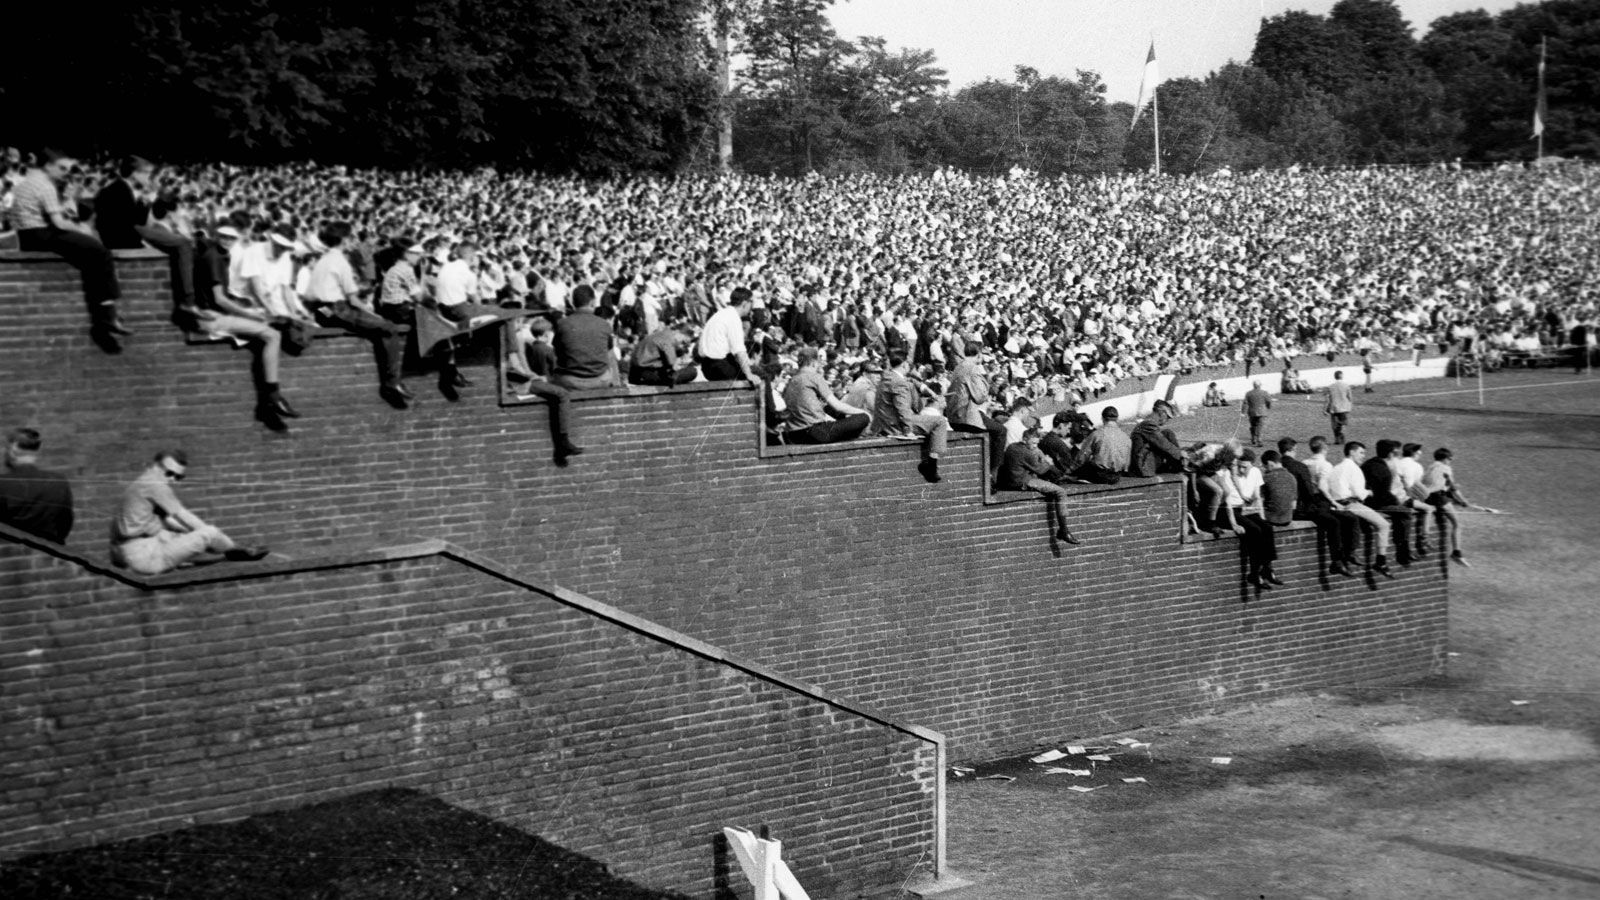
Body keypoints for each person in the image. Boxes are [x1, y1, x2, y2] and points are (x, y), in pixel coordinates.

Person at [10, 150, 128, 352]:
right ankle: (108, 314)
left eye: (69, 169)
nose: (66, 172)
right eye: (62, 168)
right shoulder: (45, 186)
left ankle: (106, 313)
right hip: (42, 234)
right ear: (48, 166)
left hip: (28, 236)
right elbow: (60, 223)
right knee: (101, 252)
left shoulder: (28, 182)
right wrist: (82, 229)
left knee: (90, 256)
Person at [184, 223, 298, 429]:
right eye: (224, 237)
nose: (227, 241)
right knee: (272, 335)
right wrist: (250, 314)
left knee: (266, 330)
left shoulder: (215, 255)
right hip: (212, 318)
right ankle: (273, 395)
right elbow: (220, 300)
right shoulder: (214, 258)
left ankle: (271, 398)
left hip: (213, 314)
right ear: (216, 236)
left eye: (231, 238)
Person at [303, 222, 412, 408]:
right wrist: (375, 317)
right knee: (390, 328)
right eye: (351, 237)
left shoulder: (323, 259)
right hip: (337, 309)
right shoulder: (340, 261)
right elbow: (353, 301)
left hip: (321, 311)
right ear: (344, 240)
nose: (353, 241)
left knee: (379, 327)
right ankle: (392, 383)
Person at [109, 450, 268, 575]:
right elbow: (183, 516)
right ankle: (237, 550)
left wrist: (192, 536)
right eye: (169, 473)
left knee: (184, 536)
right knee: (209, 532)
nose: (172, 480)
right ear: (156, 466)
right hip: (144, 557)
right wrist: (209, 535)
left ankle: (230, 550)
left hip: (131, 552)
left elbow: (171, 522)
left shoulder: (141, 482)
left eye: (178, 477)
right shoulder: (155, 485)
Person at [95, 156, 195, 314]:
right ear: (135, 173)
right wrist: (142, 241)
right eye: (148, 174)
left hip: (132, 231)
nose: (150, 178)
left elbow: (136, 220)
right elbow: (121, 225)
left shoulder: (126, 189)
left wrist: (144, 204)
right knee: (183, 243)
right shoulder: (116, 190)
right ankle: (188, 301)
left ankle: (188, 300)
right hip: (124, 238)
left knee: (176, 237)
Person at [1279, 437, 1358, 577]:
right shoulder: (1299, 466)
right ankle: (1338, 561)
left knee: (1336, 518)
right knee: (1334, 522)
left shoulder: (1279, 464)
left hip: (1286, 507)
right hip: (1303, 508)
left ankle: (1342, 559)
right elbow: (1309, 492)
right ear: (1293, 449)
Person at [870, 349, 949, 483]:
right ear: (904, 364)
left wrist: (925, 388)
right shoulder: (898, 382)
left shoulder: (889, 377)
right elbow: (903, 409)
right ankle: (931, 466)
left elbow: (910, 380)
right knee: (940, 421)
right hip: (896, 425)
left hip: (884, 423)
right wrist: (908, 431)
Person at [995, 427, 1080, 545]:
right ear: (1025, 439)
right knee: (1060, 492)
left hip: (1011, 480)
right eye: (1033, 443)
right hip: (1023, 482)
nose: (1035, 446)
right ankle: (1064, 530)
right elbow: (1041, 470)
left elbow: (1033, 455)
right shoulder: (1026, 453)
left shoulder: (1012, 447)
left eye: (1037, 443)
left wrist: (1037, 451)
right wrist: (1048, 462)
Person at [1324, 441, 1394, 578]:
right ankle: (1381, 562)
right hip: (1350, 504)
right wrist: (1369, 492)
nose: (1363, 456)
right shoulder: (1354, 469)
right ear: (1352, 452)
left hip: (1336, 504)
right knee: (1384, 525)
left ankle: (1347, 557)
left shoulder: (1336, 467)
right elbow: (1359, 493)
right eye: (1361, 452)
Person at [780, 347, 870, 444]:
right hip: (813, 433)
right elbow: (837, 406)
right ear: (814, 362)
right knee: (863, 418)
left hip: (793, 435)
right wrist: (863, 412)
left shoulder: (792, 380)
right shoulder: (814, 377)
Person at [0, 427, 74, 544]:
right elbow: (64, 524)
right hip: (50, 553)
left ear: (13, 450)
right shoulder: (58, 481)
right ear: (38, 451)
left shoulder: (2, 484)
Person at [1219, 449, 1280, 588]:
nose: (1240, 469)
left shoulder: (1256, 473)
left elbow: (1258, 497)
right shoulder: (1229, 474)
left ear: (1252, 465)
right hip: (1228, 511)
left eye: (1244, 467)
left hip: (1243, 509)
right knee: (1254, 530)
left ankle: (1268, 569)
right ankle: (1254, 574)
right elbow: (1228, 503)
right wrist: (1234, 524)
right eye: (1239, 465)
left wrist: (1262, 517)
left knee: (1267, 527)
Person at [945, 342, 1007, 473]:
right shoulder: (973, 369)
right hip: (966, 417)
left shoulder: (958, 367)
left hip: (954, 416)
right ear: (978, 354)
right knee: (1001, 431)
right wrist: (987, 383)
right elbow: (980, 397)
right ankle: (992, 475)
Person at [1421, 447, 1472, 567]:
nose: (1450, 461)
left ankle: (1425, 537)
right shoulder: (1446, 468)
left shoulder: (1430, 467)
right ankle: (1457, 553)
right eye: (1450, 459)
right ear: (1444, 459)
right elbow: (1453, 488)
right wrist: (1464, 501)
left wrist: (1455, 499)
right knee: (1457, 524)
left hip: (1427, 496)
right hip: (1438, 497)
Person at [697, 287, 758, 382]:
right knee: (761, 375)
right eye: (751, 302)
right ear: (744, 303)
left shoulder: (723, 313)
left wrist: (748, 363)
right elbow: (739, 351)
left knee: (751, 368)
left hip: (707, 364)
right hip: (717, 366)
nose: (752, 306)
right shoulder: (733, 318)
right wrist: (749, 374)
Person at [1071, 406, 1131, 484]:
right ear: (1117, 419)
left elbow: (1082, 457)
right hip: (1117, 476)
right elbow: (1126, 464)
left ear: (1102, 418)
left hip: (1099, 475)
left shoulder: (1096, 434)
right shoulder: (1126, 437)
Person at [628, 320, 698, 386]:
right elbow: (672, 364)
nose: (681, 345)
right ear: (677, 332)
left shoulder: (660, 334)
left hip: (635, 372)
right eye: (683, 342)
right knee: (692, 371)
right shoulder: (668, 340)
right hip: (647, 372)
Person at [1130, 400, 1185, 477]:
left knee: (1167, 433)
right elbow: (1163, 443)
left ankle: (1180, 464)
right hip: (1143, 466)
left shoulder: (1147, 422)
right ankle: (1181, 464)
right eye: (1167, 417)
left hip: (1144, 460)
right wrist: (1181, 454)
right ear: (1162, 413)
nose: (1167, 420)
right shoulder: (1149, 424)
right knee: (1168, 434)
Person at [1325, 371, 1354, 445]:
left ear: (1335, 377)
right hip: (1343, 407)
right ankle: (1342, 437)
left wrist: (1325, 409)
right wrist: (1349, 406)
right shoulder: (1346, 386)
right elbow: (1350, 397)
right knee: (1343, 423)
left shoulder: (1330, 387)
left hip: (1334, 408)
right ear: (1342, 376)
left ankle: (1337, 439)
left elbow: (1327, 399)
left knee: (1334, 424)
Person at [1243, 380, 1272, 447]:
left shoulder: (1249, 393)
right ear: (1260, 385)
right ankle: (1259, 439)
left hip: (1252, 412)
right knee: (1260, 426)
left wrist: (1243, 412)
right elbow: (1269, 401)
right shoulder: (1264, 393)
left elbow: (1245, 403)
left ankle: (1253, 438)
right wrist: (1268, 407)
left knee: (1253, 426)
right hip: (1262, 412)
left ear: (1253, 385)